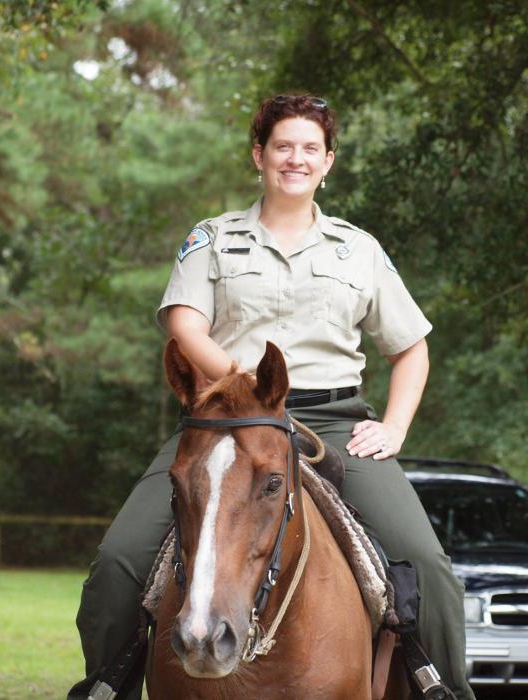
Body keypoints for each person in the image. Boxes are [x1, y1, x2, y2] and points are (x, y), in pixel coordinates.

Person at [69, 94, 475, 700]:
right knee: (118, 562)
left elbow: (411, 348)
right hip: (228, 421)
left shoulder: (357, 250)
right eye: (283, 146)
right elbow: (184, 323)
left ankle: (447, 693)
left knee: (430, 567)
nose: (296, 159)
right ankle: (109, 687)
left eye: (310, 148)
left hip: (331, 421)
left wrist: (393, 427)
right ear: (259, 155)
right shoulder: (212, 238)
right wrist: (239, 380)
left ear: (328, 161)